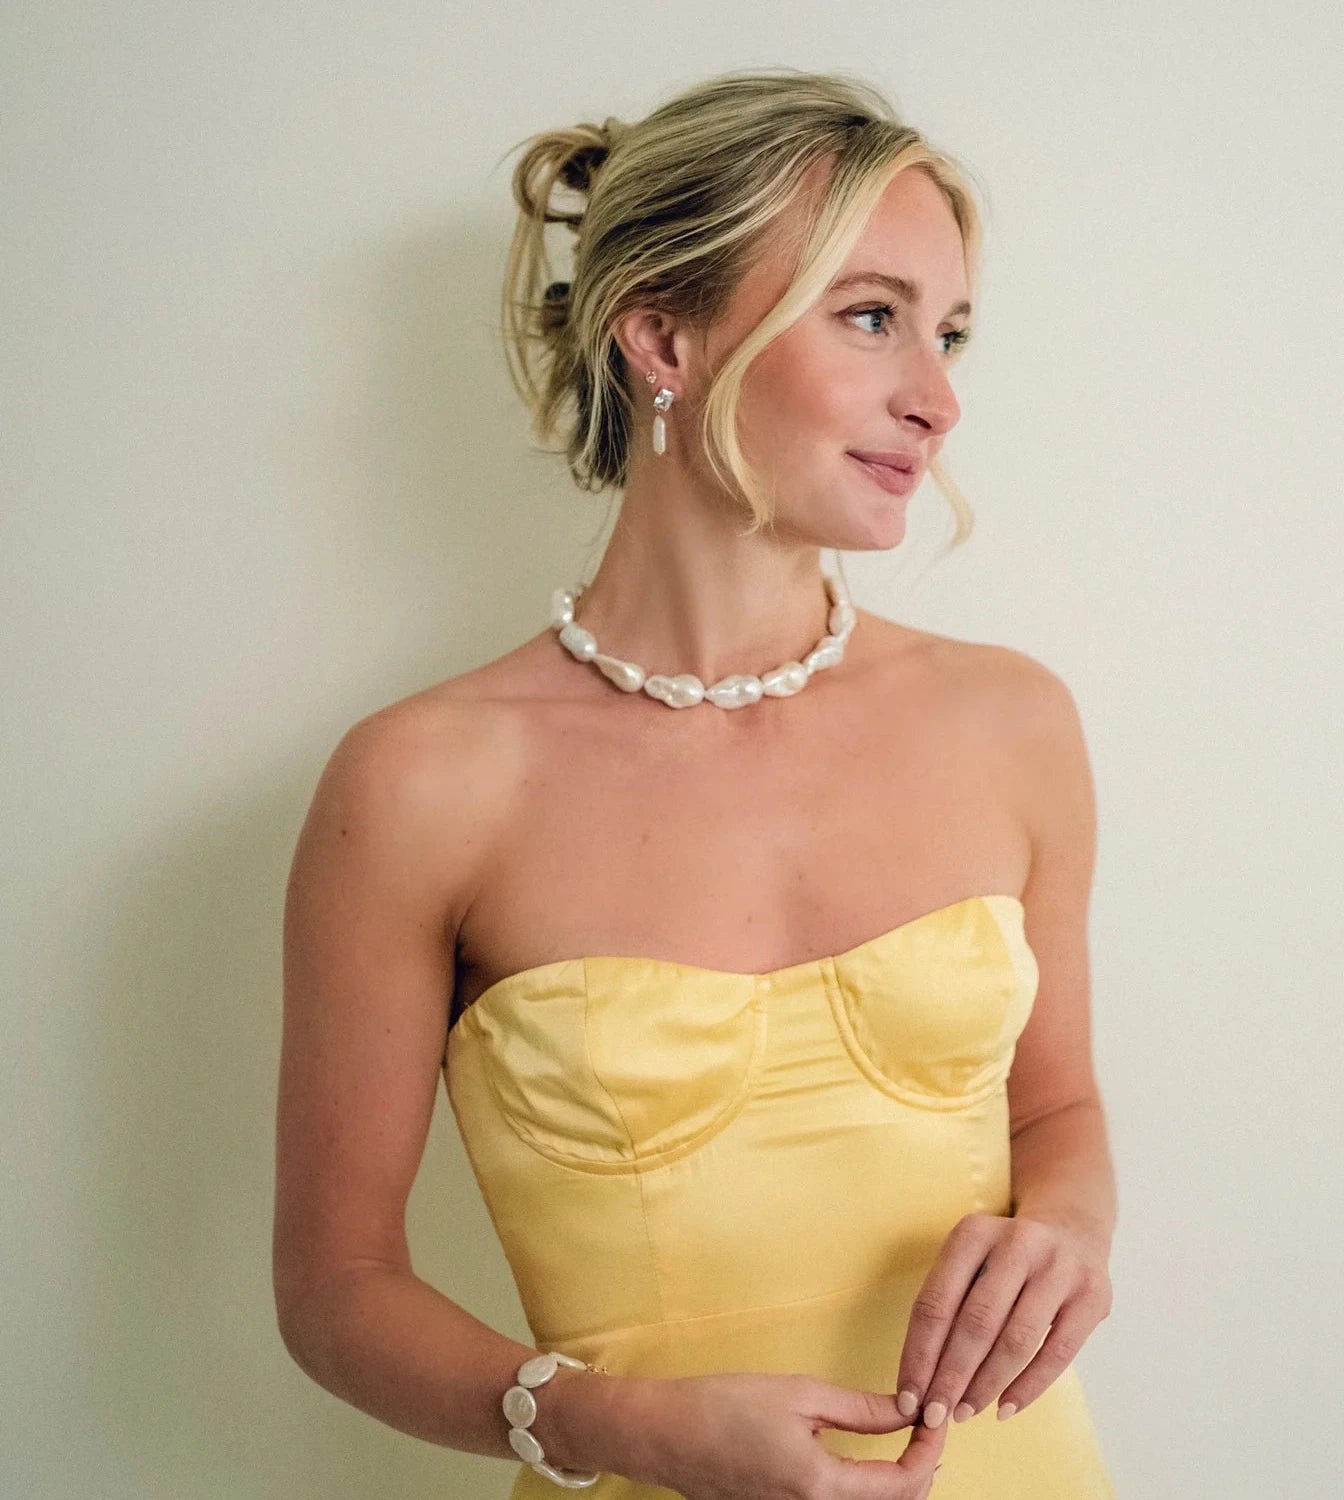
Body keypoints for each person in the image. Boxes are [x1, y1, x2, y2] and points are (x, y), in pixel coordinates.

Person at [274, 66, 1118, 1499]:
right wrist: (618, 1428)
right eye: (873, 317)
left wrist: (1074, 1234)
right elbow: (336, 1289)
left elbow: (1058, 1115)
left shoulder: (1010, 721)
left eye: (951, 333)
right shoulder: (421, 783)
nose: (937, 398)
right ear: (662, 335)